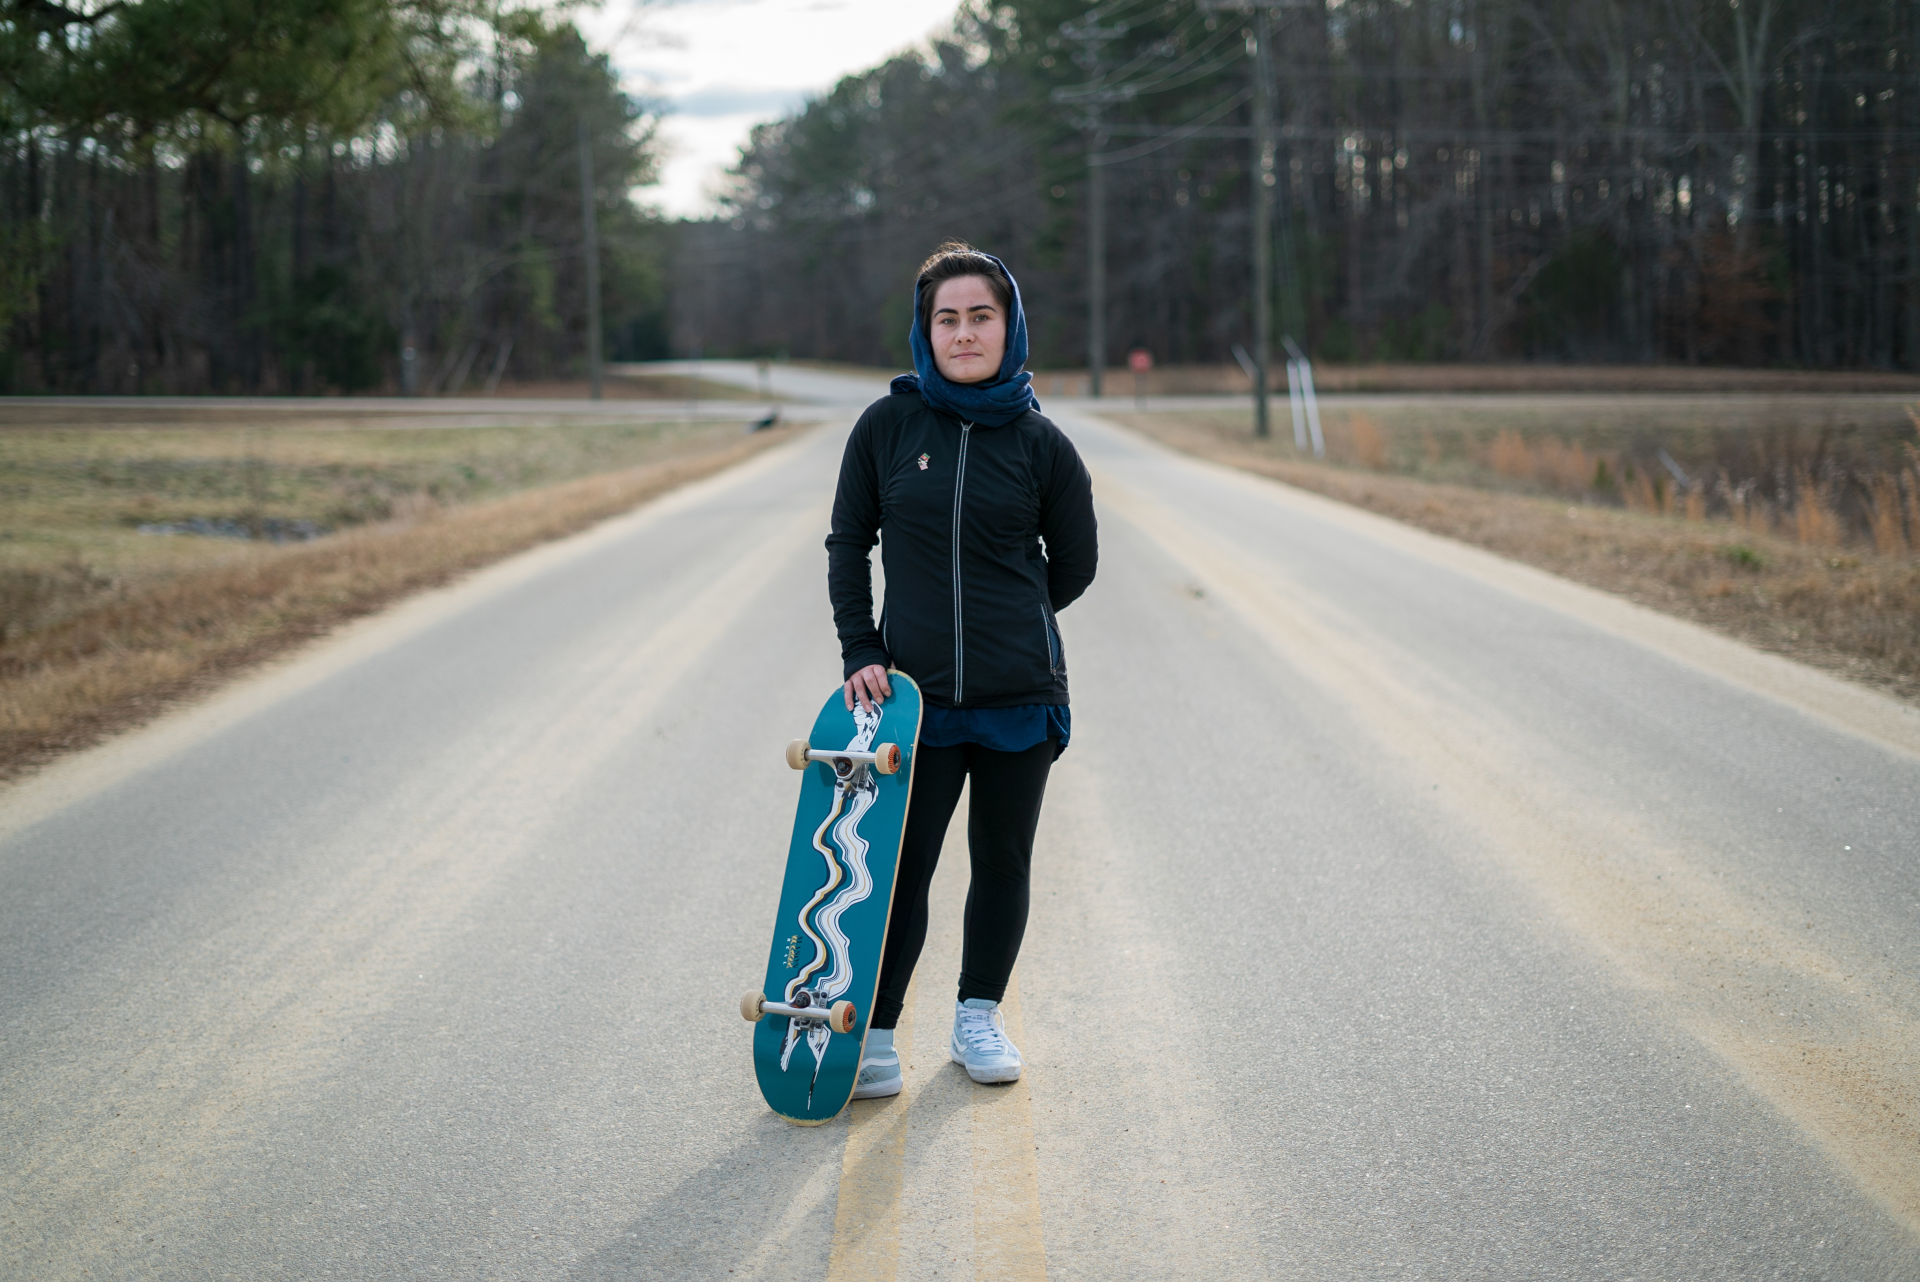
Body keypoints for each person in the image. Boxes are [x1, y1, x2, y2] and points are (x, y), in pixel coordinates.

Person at [826, 242, 1097, 1097]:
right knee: (902, 866)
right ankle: (875, 1027)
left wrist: (1009, 620)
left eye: (982, 315)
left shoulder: (1041, 444)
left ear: (1009, 325)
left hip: (1020, 698)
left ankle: (978, 1014)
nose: (965, 331)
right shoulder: (887, 428)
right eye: (949, 317)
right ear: (926, 329)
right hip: (916, 704)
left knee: (1003, 861)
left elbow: (1076, 566)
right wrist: (864, 649)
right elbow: (848, 544)